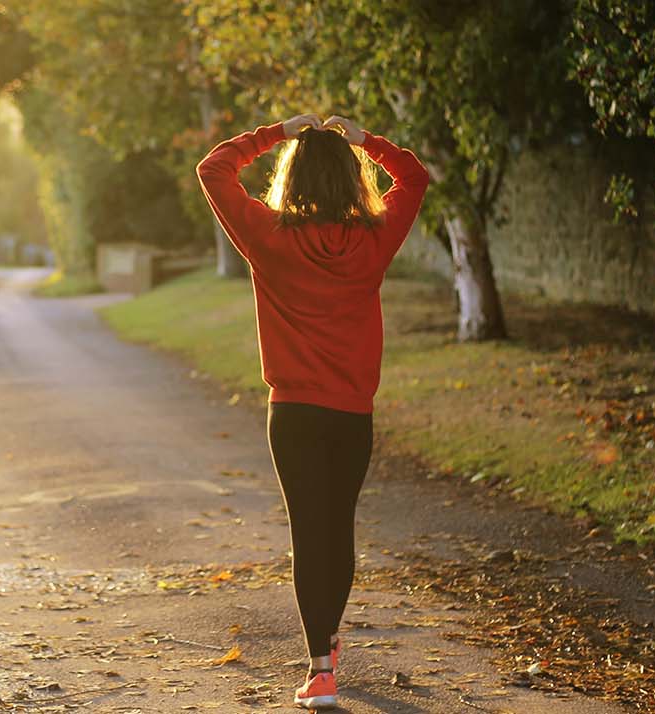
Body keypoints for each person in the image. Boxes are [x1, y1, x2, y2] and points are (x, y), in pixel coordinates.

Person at [196, 113, 430, 709]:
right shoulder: (374, 238)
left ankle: (320, 668)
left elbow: (214, 169)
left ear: (291, 178)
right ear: (353, 181)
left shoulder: (268, 235)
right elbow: (415, 176)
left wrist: (276, 132)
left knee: (309, 532)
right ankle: (327, 642)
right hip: (352, 413)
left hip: (293, 413)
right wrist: (365, 141)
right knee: (338, 528)